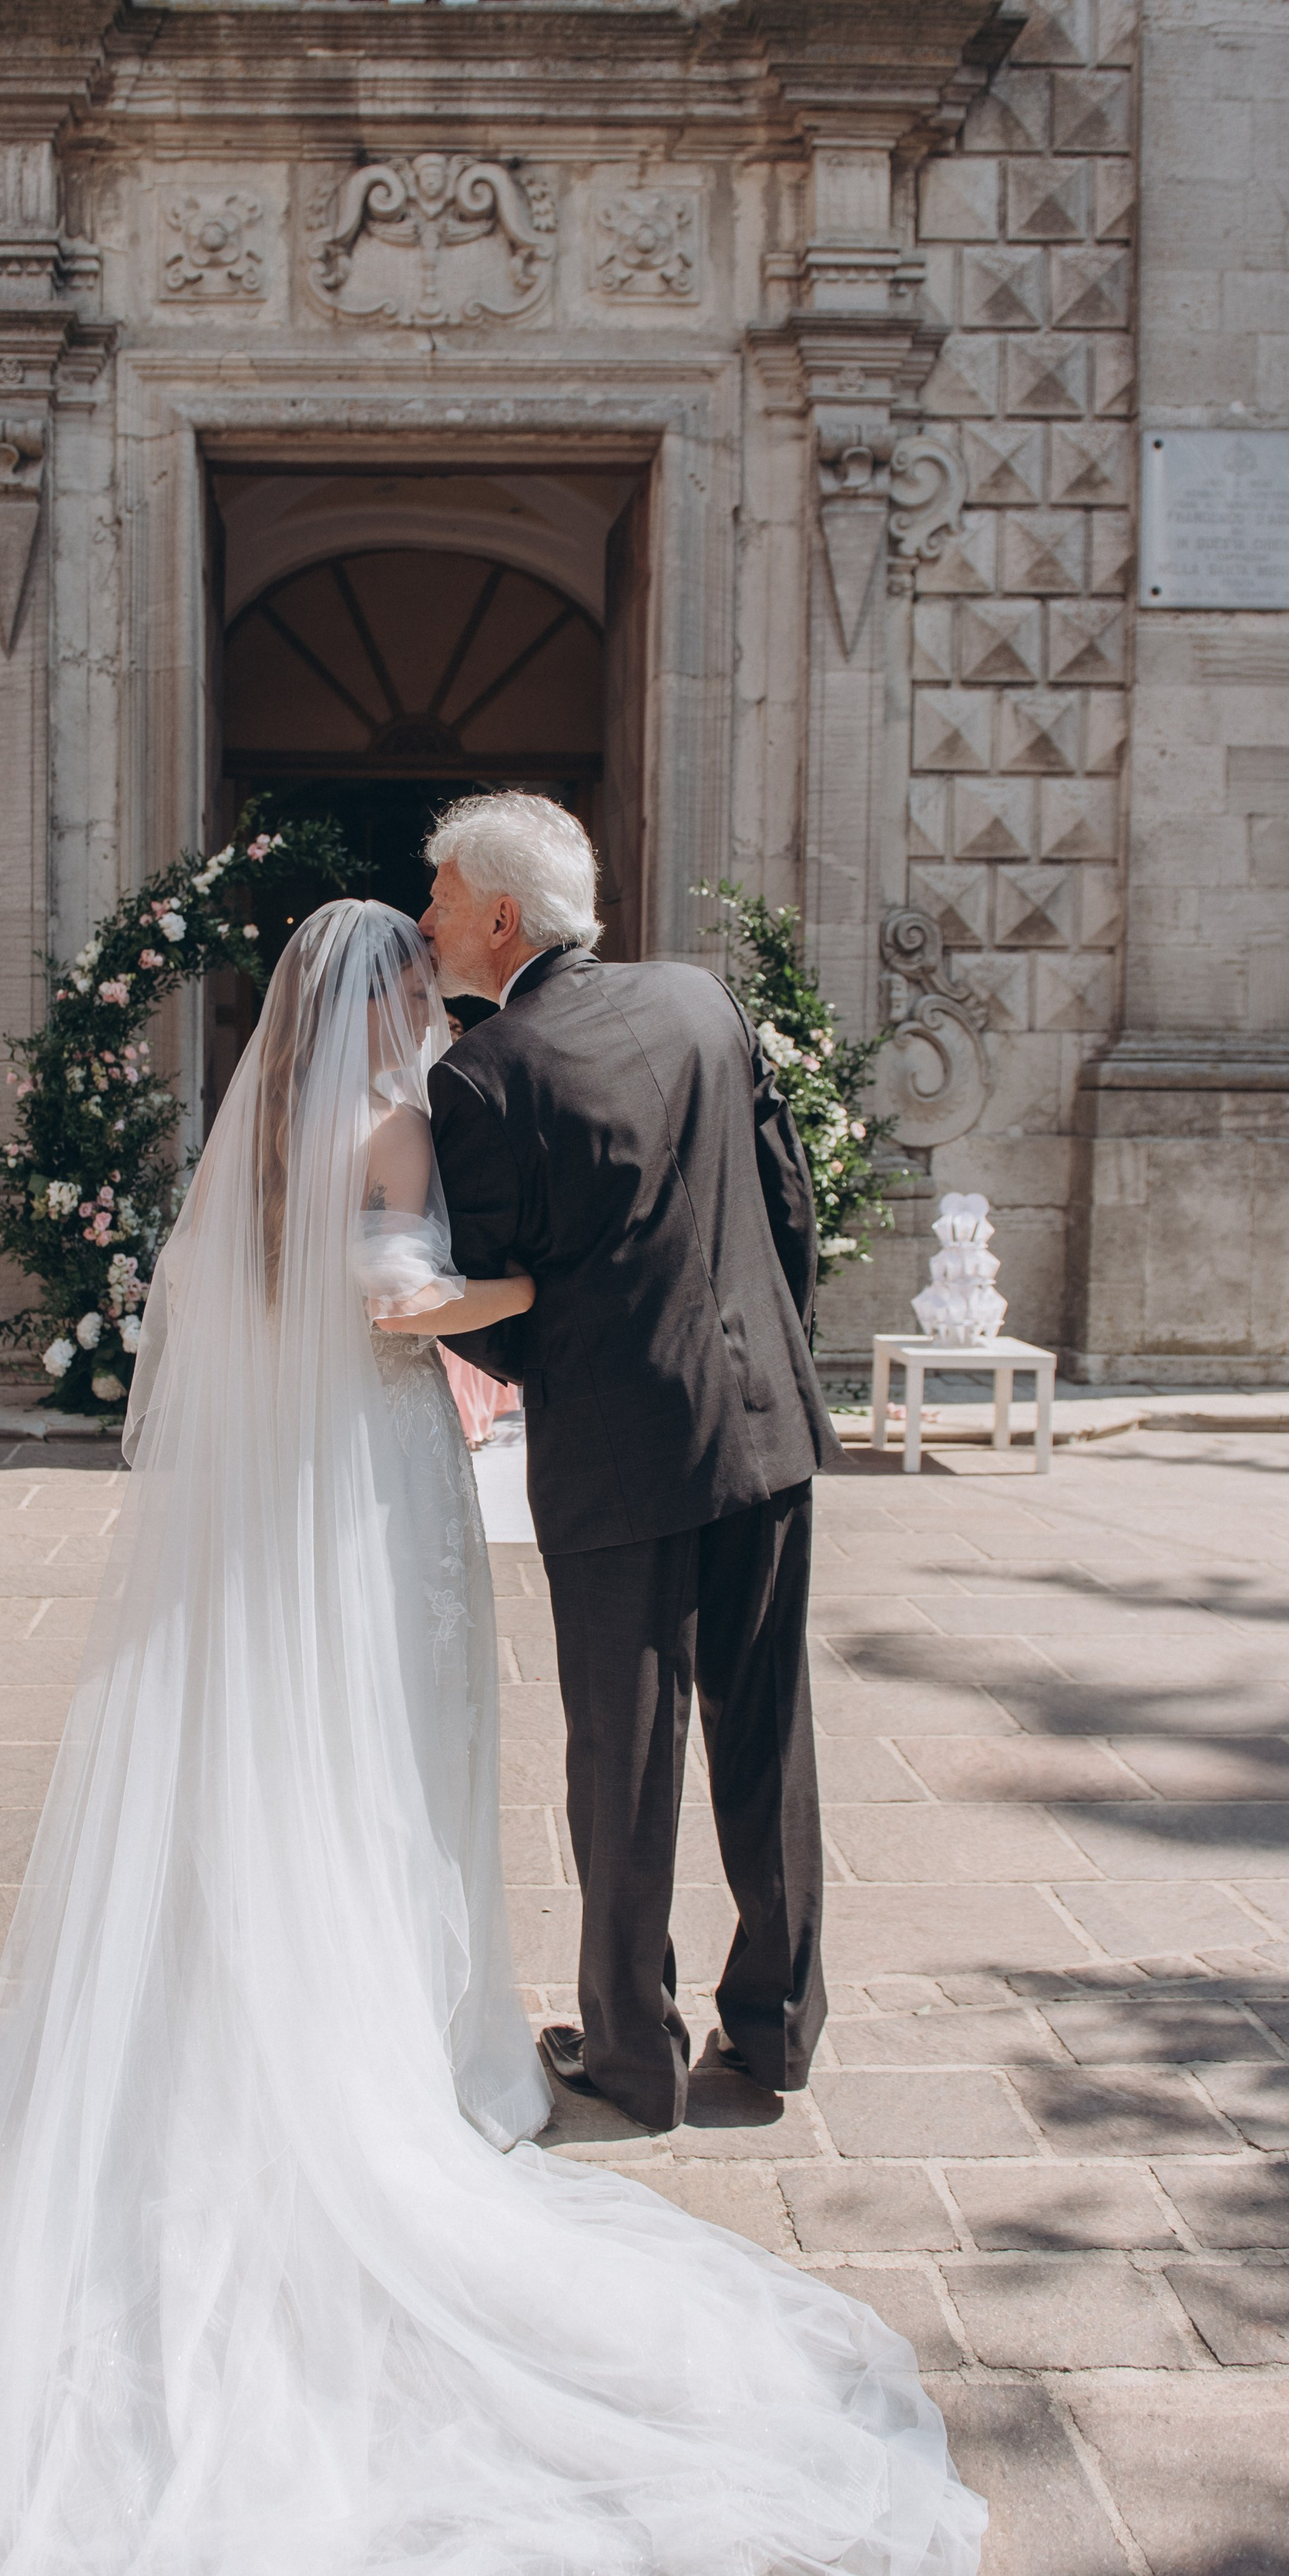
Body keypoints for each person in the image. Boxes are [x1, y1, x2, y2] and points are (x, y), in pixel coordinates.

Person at [0, 902, 978, 2576]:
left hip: (312, 1484)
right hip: (382, 1481)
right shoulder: (404, 1118)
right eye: (407, 976)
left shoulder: (285, 1137)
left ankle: (299, 2007)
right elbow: (404, 1305)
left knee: (315, 1752)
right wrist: (551, 1290)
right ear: (379, 997)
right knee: (390, 1763)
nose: (427, 991)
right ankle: (408, 2048)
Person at [423, 793, 841, 2135]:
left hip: (620, 1461)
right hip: (766, 1425)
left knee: (624, 1755)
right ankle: (774, 2035)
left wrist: (574, 1392)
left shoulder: (483, 1076)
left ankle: (634, 2057)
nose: (425, 920)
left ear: (500, 916)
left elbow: (504, 1293)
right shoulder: (703, 1003)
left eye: (438, 896)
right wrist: (772, 1360)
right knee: (768, 1734)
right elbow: (788, 1204)